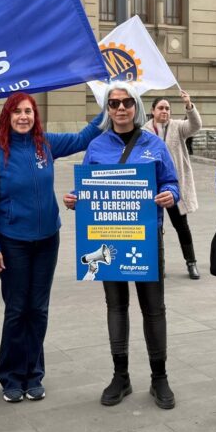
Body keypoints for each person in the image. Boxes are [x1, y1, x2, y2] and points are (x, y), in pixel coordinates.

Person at [0, 93, 103, 403]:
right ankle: (11, 376)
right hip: (13, 242)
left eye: (28, 111)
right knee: (17, 310)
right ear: (7, 116)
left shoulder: (45, 143)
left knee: (39, 309)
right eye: (18, 111)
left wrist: (108, 102)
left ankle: (34, 375)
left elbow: (84, 137)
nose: (24, 117)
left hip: (47, 240)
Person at [62, 82, 180, 410]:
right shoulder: (97, 147)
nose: (121, 108)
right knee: (116, 307)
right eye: (114, 104)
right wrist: (74, 199)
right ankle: (121, 376)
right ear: (107, 109)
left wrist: (172, 194)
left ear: (136, 107)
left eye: (127, 102)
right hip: (107, 238)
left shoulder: (154, 145)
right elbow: (84, 188)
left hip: (145, 239)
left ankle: (160, 378)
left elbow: (171, 182)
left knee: (153, 308)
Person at [148, 90, 203, 279]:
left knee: (182, 226)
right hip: (152, 188)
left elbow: (195, 125)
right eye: (161, 108)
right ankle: (158, 264)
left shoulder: (178, 127)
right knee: (154, 227)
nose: (165, 111)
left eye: (168, 108)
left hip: (173, 188)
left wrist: (189, 105)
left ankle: (191, 263)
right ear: (153, 110)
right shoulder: (144, 131)